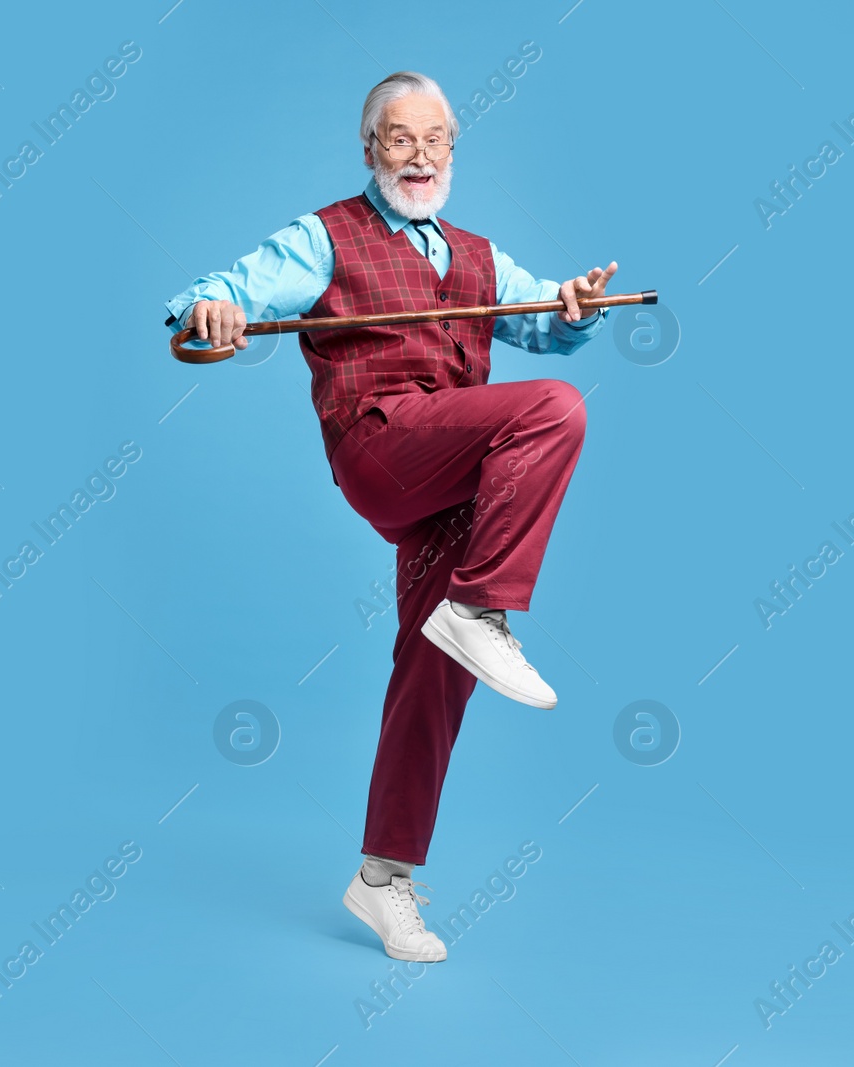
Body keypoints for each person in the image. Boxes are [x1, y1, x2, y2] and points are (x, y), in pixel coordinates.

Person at [166, 71, 616, 963]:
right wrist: (208, 309)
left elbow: (542, 320)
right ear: (370, 147)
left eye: (436, 140)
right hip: (381, 448)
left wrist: (578, 308)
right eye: (400, 139)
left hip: (456, 481)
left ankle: (382, 880)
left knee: (433, 674)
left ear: (454, 146)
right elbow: (217, 295)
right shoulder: (324, 237)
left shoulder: (481, 255)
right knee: (555, 409)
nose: (420, 157)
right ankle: (485, 607)